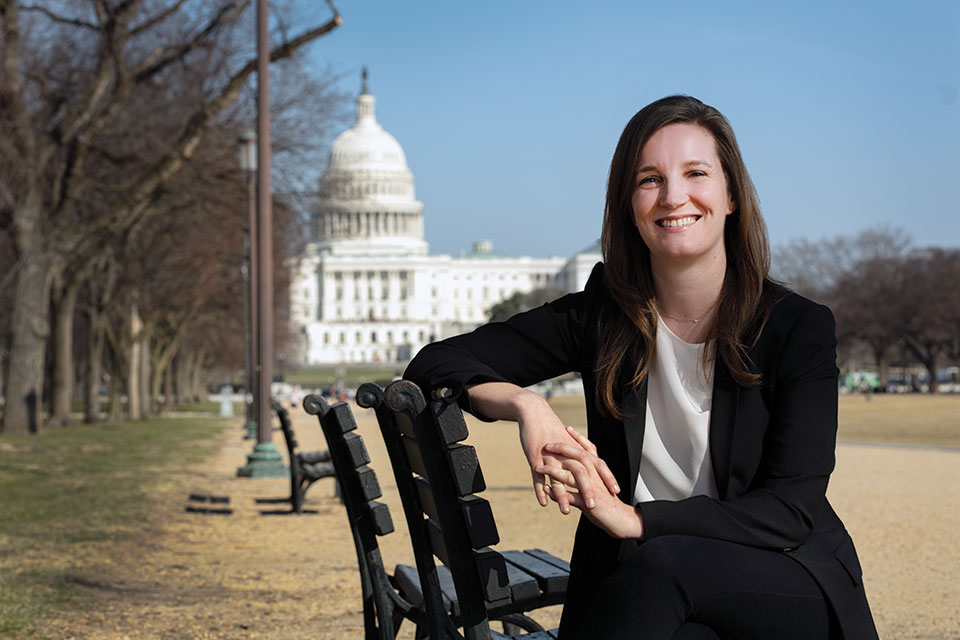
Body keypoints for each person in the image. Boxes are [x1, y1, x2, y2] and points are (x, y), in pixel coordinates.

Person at [404, 95, 877, 639]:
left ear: (731, 196)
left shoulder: (798, 328)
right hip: (655, 593)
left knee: (664, 563)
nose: (674, 196)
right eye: (649, 179)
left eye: (696, 173)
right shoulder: (604, 316)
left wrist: (637, 520)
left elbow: (789, 510)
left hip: (786, 573)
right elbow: (434, 362)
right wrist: (525, 405)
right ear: (628, 203)